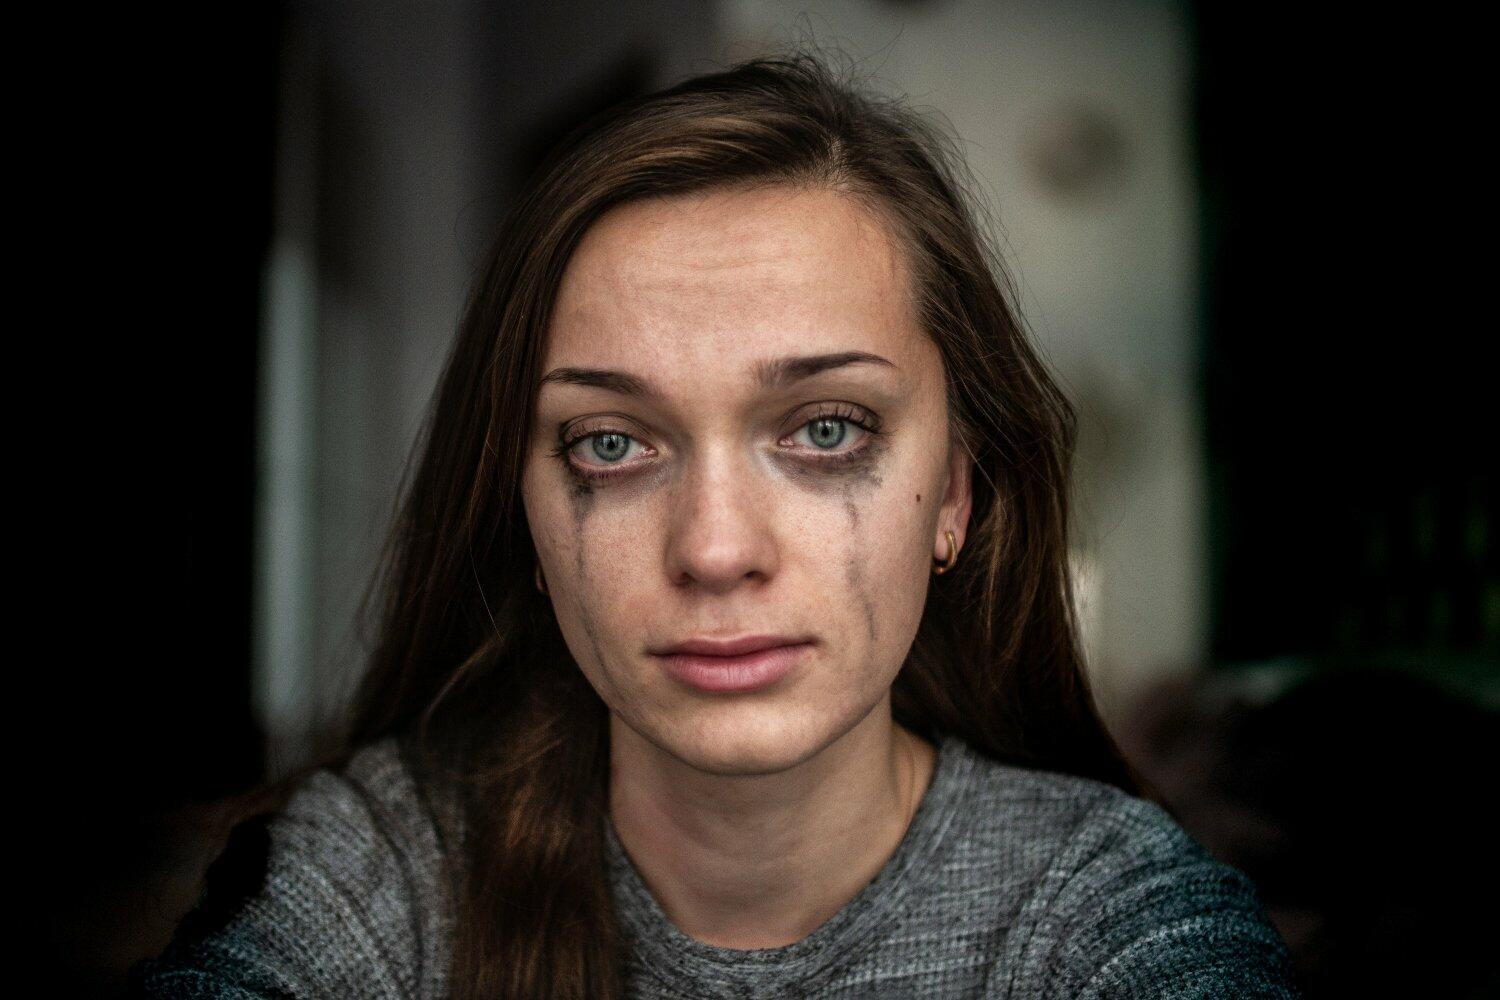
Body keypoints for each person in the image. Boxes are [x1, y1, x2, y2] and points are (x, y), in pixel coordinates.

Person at [131, 53, 1301, 999]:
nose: (715, 548)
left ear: (954, 496)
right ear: (527, 520)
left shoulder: (1100, 913)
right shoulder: (386, 868)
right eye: (610, 442)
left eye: (828, 429)